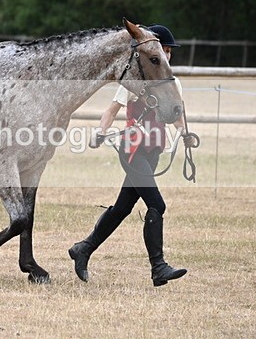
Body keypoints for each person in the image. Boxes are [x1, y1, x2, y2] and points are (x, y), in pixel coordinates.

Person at [69, 24, 193, 287]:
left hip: (154, 149)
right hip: (133, 148)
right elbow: (112, 110)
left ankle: (83, 248)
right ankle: (158, 268)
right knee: (157, 205)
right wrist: (100, 132)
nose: (167, 55)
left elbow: (176, 114)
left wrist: (184, 134)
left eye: (169, 51)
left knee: (122, 209)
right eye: (164, 50)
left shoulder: (172, 83)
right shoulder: (135, 78)